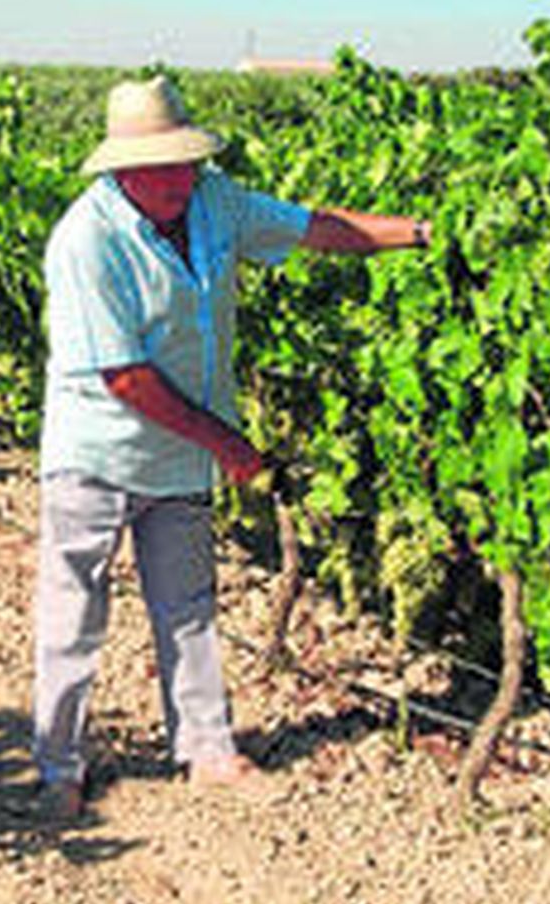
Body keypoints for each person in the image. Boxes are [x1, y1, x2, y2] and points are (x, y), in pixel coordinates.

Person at [33, 75, 433, 818]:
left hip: (182, 451)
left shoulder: (213, 201)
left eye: (187, 161)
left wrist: (418, 233)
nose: (181, 177)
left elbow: (314, 226)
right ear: (122, 169)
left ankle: (208, 751)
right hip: (98, 451)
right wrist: (233, 447)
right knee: (73, 610)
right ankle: (59, 766)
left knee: (187, 605)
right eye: (164, 166)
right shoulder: (85, 240)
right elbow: (124, 376)